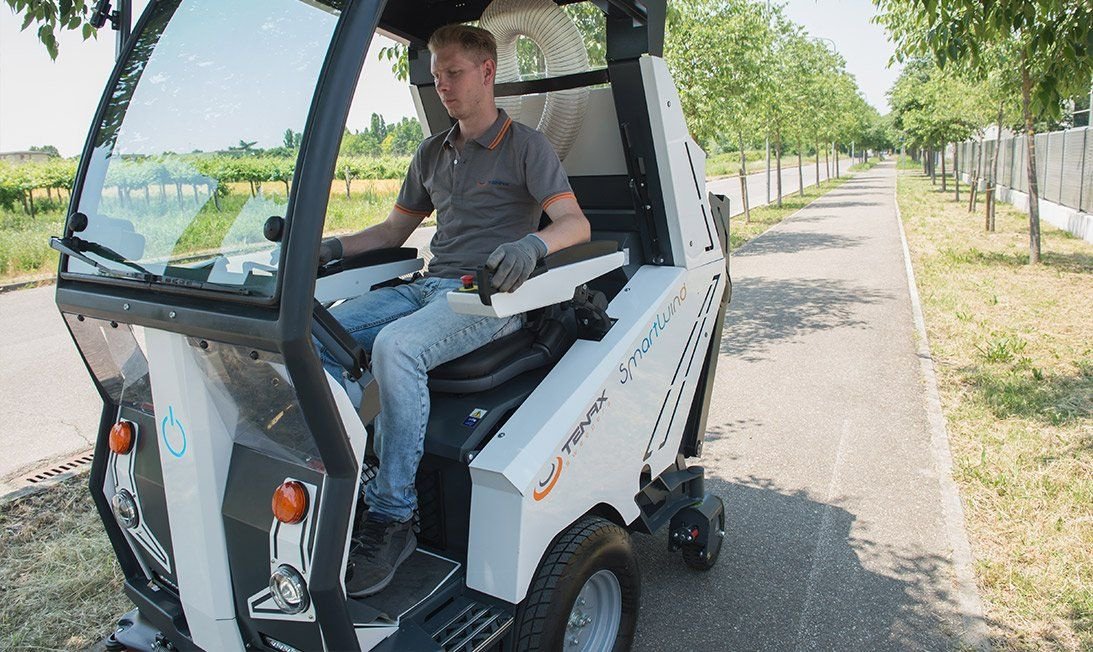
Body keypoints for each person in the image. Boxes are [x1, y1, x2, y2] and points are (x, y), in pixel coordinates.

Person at [319, 24, 590, 597]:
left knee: (397, 347)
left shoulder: (526, 146)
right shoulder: (430, 153)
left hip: (489, 298)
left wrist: (532, 244)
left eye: (453, 72)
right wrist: (333, 248)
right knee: (315, 331)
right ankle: (335, 481)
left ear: (487, 72)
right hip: (424, 285)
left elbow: (575, 223)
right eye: (436, 74)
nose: (441, 83)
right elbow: (395, 229)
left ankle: (393, 518)